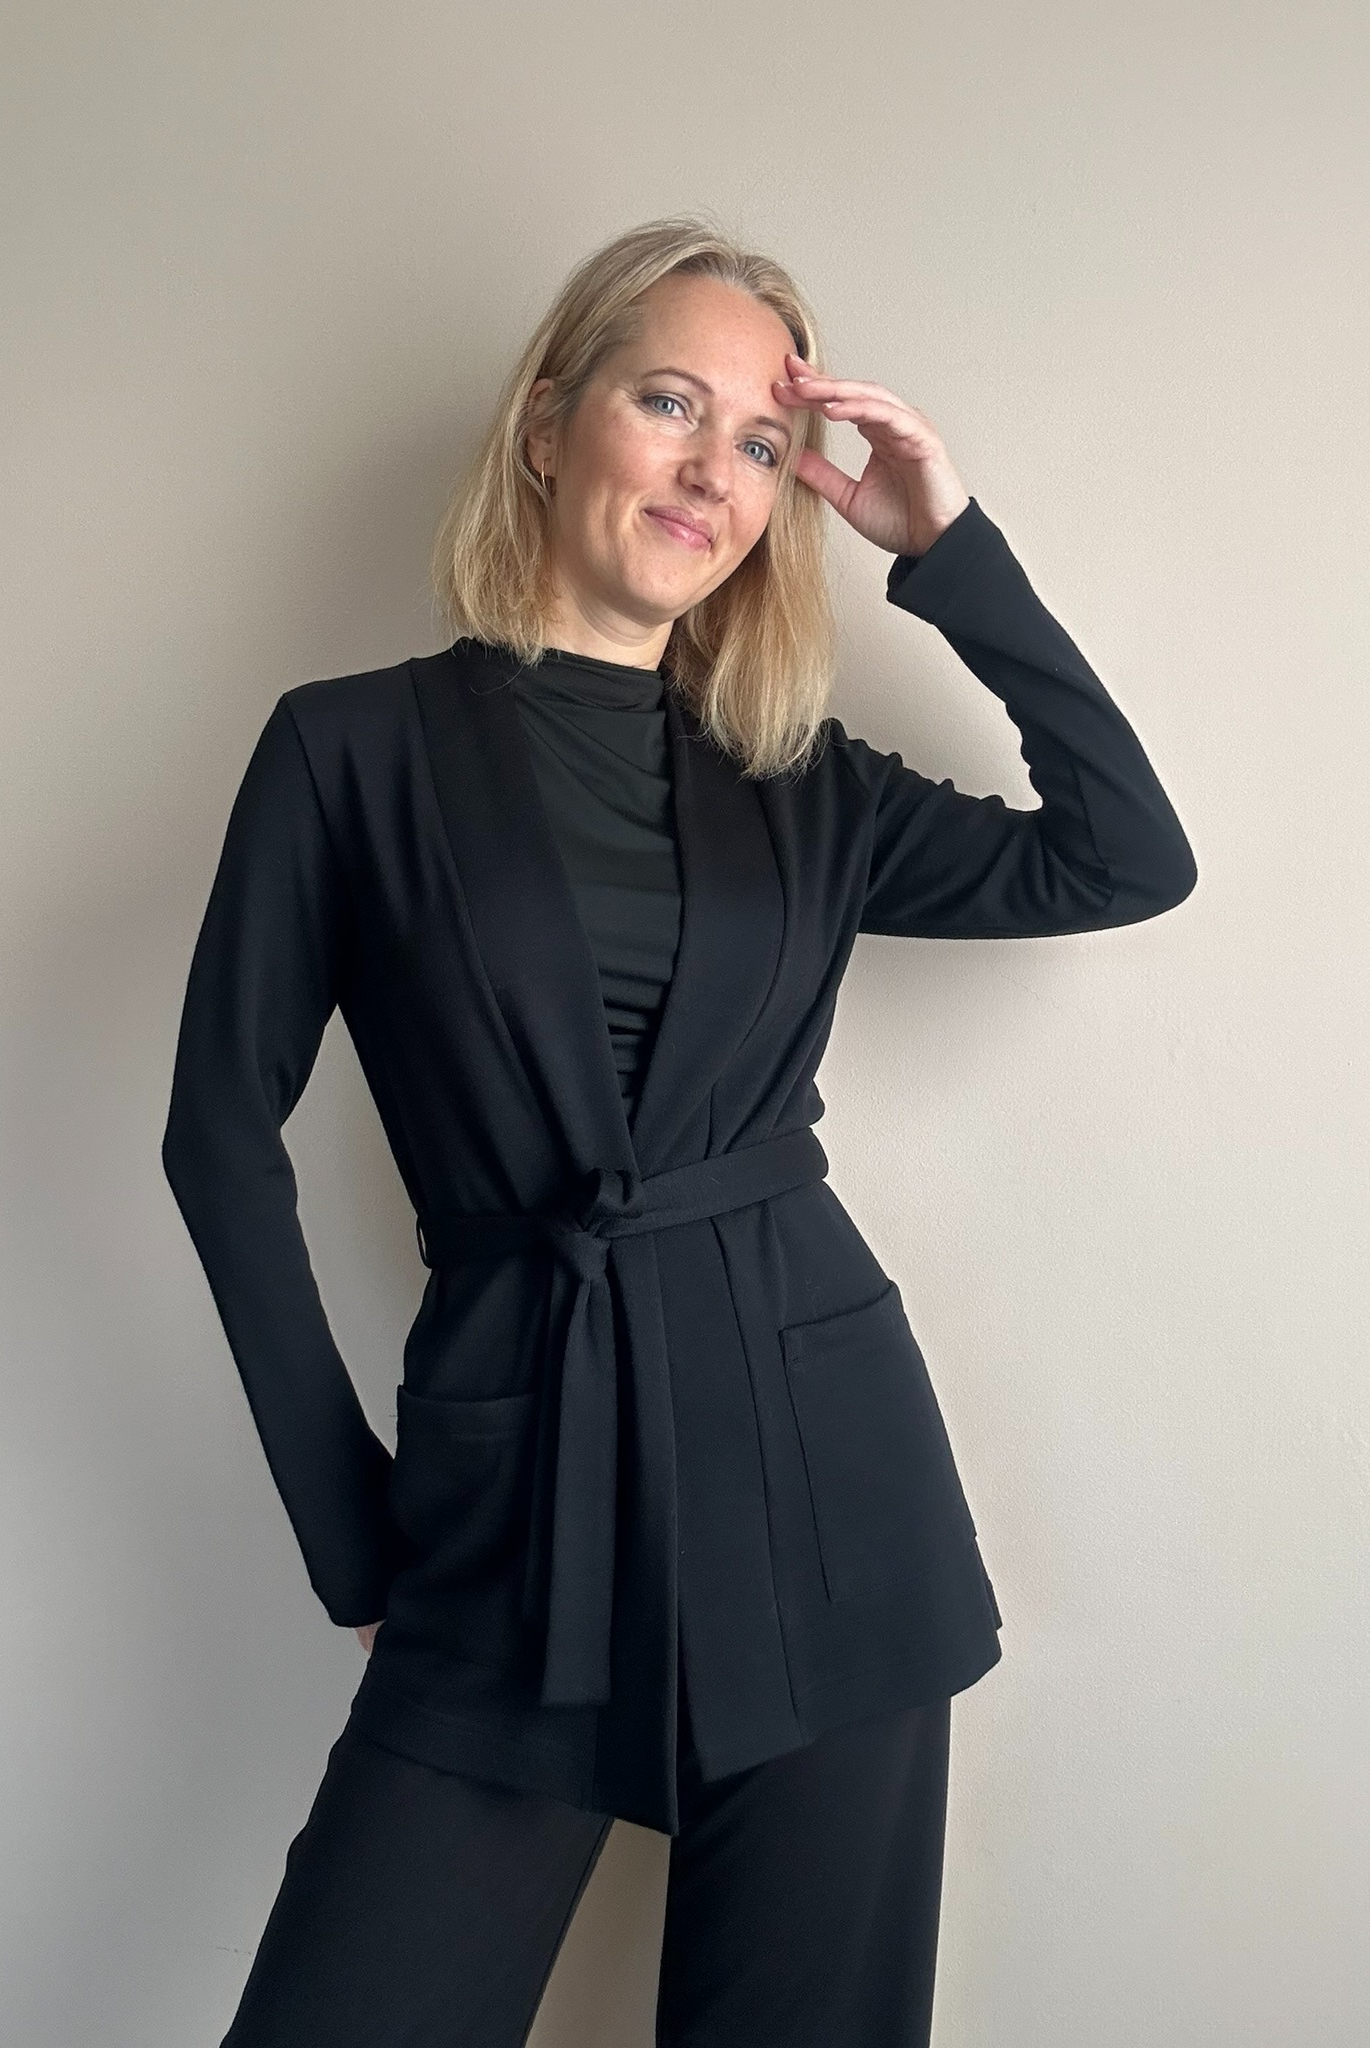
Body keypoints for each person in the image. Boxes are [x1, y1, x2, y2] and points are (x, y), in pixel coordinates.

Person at [161, 214, 1197, 2046]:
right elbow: (218, 1136)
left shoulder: (799, 780)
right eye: (670, 403)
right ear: (547, 424)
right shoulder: (350, 753)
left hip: (825, 1501)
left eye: (765, 443)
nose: (716, 470)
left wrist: (948, 551)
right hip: (510, 1512)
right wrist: (354, 1534)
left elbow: (1124, 857)